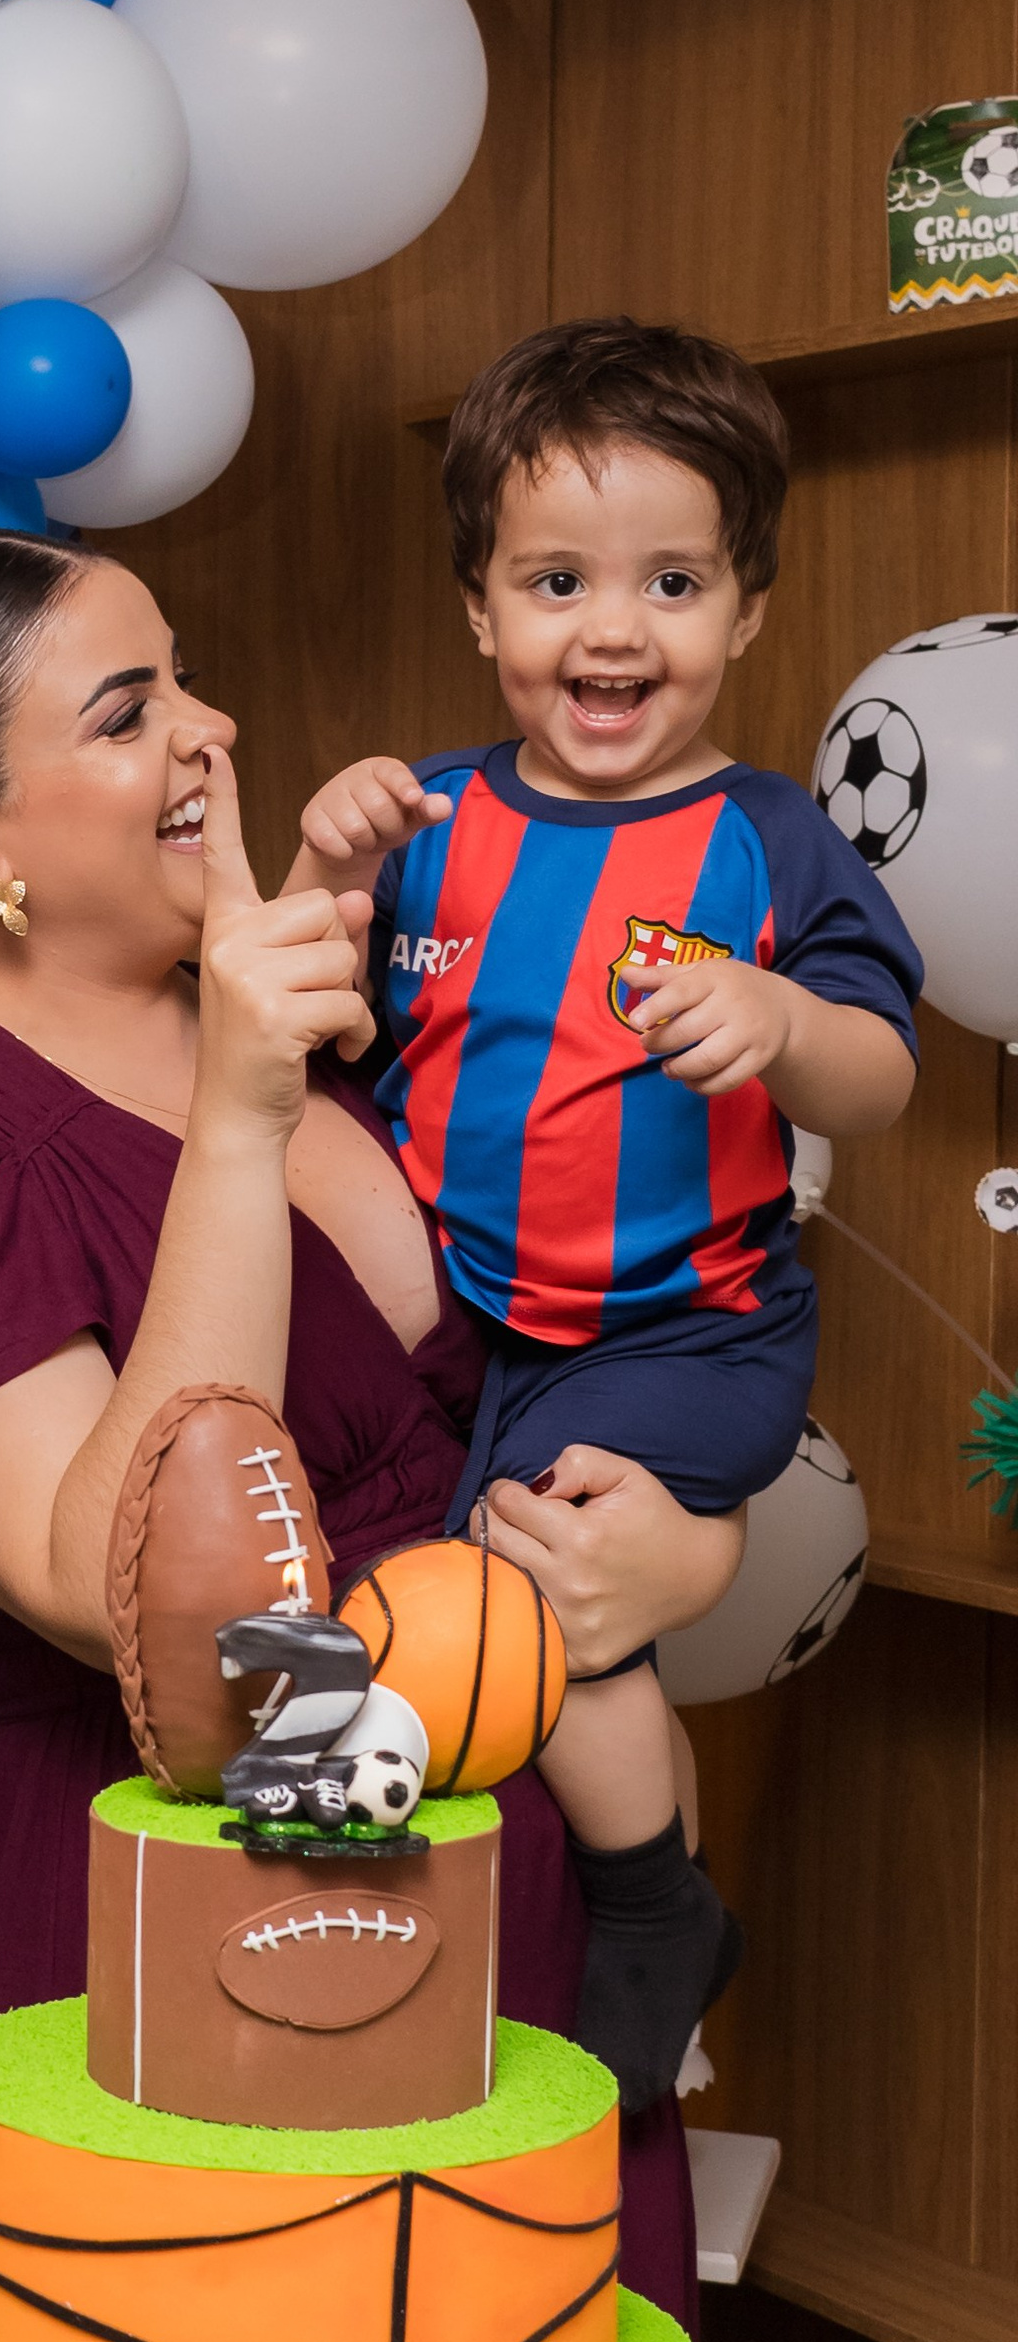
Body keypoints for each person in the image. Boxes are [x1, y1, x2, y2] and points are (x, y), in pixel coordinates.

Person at [0, 531, 748, 2326]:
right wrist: (232, 1125)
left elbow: (597, 1366)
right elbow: (134, 1603)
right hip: (200, 1930)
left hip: (528, 1908)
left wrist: (683, 1550)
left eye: (186, 675)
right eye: (131, 714)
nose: (213, 731)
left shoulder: (345, 1028)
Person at [284, 321, 920, 2104]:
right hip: (480, 1322)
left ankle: (653, 1910)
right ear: (483, 611)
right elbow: (293, 1028)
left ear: (748, 613)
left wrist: (789, 1027)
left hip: (688, 1329)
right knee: (416, 1587)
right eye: (557, 581)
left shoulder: (774, 838)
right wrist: (326, 865)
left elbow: (884, 1073)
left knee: (549, 1574)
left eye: (673, 580)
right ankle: (378, 1938)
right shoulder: (432, 818)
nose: (614, 629)